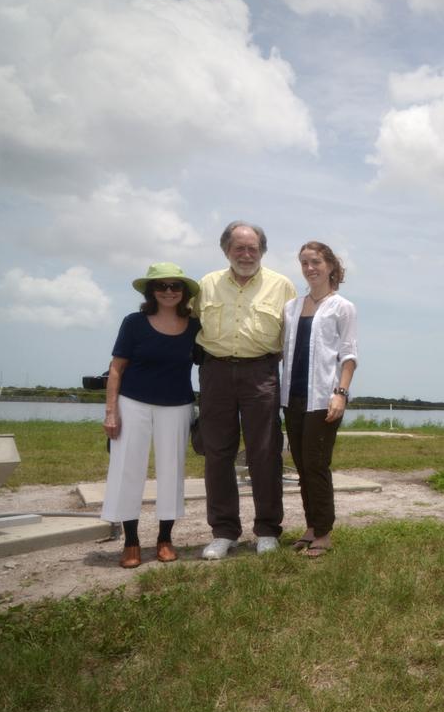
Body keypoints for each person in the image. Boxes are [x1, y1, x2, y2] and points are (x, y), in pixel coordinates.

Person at [194, 221, 298, 560]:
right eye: (239, 247)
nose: (246, 253)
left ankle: (267, 530)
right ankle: (224, 532)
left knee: (265, 453)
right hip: (215, 372)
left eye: (253, 247)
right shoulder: (206, 284)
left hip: (261, 372)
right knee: (217, 454)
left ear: (263, 251)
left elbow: (291, 340)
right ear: (226, 250)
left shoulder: (282, 286)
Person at [101, 263, 202, 568]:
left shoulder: (195, 326)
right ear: (151, 291)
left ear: (184, 293)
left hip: (178, 406)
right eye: (162, 286)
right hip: (133, 404)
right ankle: (131, 542)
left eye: (175, 286)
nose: (169, 291)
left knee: (172, 472)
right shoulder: (133, 323)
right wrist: (111, 412)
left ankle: (165, 539)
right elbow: (116, 369)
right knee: (127, 470)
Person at [281, 241, 358, 557]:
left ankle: (324, 533)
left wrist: (340, 393)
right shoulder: (291, 307)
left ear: (329, 266)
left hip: (324, 398)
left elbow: (349, 354)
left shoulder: (342, 307)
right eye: (304, 263)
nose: (309, 268)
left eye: (315, 262)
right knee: (301, 465)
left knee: (316, 464)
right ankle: (311, 527)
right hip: (293, 396)